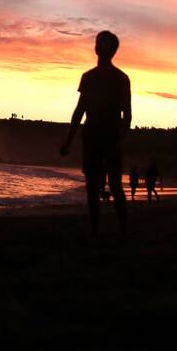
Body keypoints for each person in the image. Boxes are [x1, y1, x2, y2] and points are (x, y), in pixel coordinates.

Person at [60, 31, 130, 236]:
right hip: (91, 137)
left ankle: (123, 231)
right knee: (91, 187)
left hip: (111, 137)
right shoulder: (88, 77)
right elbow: (79, 111)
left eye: (103, 43)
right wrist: (68, 140)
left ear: (112, 49)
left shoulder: (121, 78)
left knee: (115, 185)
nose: (98, 45)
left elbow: (127, 115)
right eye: (98, 42)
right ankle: (95, 232)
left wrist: (120, 141)